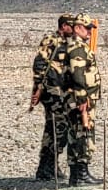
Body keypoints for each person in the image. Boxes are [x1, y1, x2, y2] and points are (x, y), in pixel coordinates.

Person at [29, 13, 75, 181]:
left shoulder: (70, 43)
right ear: (63, 26)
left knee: (56, 130)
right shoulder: (51, 40)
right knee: (56, 128)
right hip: (51, 93)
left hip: (62, 93)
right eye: (71, 25)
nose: (74, 28)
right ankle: (47, 168)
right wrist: (39, 87)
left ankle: (49, 166)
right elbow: (39, 64)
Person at [63, 13, 102, 185]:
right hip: (81, 100)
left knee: (76, 134)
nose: (89, 32)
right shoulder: (78, 48)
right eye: (86, 28)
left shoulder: (76, 46)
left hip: (79, 99)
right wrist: (82, 99)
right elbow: (78, 76)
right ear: (78, 28)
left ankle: (76, 175)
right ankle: (81, 174)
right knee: (82, 134)